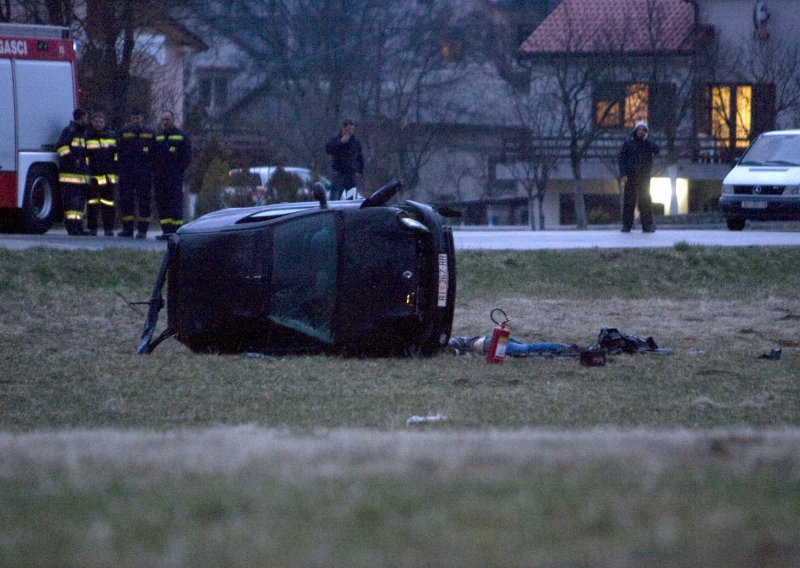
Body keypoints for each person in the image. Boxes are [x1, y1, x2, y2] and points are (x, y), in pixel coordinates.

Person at [153, 110, 192, 240]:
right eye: (163, 120)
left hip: (174, 177)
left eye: (167, 119)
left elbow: (186, 157)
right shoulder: (158, 136)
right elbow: (153, 156)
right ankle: (166, 232)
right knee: (162, 204)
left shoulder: (182, 136)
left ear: (174, 120)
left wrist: (177, 171)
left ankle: (175, 232)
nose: (165, 122)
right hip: (160, 177)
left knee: (175, 204)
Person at [116, 110, 154, 238]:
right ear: (130, 119)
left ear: (141, 118)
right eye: (133, 118)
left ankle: (142, 230)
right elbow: (118, 151)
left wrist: (151, 169)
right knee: (126, 200)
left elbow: (154, 152)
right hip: (127, 172)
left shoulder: (149, 133)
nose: (135, 120)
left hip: (144, 173)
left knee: (144, 201)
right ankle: (127, 229)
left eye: (137, 118)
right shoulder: (124, 132)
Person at [618, 121, 660, 233]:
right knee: (629, 202)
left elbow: (657, 150)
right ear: (635, 131)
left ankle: (647, 226)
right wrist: (623, 174)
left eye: (643, 130)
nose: (641, 131)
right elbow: (621, 159)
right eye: (639, 129)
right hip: (630, 177)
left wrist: (648, 140)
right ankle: (626, 226)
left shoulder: (648, 143)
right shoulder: (628, 143)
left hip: (644, 177)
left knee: (645, 201)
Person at [56, 108, 92, 236]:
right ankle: (71, 228)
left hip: (81, 175)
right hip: (70, 175)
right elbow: (61, 148)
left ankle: (78, 227)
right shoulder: (70, 131)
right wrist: (73, 160)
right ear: (81, 117)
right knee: (71, 203)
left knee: (80, 203)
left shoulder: (83, 132)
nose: (87, 119)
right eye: (86, 117)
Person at [85, 111, 118, 236]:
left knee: (108, 204)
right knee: (92, 203)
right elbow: (85, 156)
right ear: (92, 122)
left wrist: (115, 170)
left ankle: (108, 229)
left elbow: (117, 154)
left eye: (101, 122)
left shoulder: (112, 136)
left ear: (105, 123)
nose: (98, 124)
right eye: (96, 121)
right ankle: (92, 228)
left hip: (108, 177)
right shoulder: (87, 136)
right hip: (93, 176)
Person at [325, 119, 363, 200]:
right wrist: (341, 142)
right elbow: (328, 149)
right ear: (343, 128)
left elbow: (359, 157)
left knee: (352, 199)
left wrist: (359, 170)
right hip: (339, 175)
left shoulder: (355, 143)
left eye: (352, 129)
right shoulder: (336, 140)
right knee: (335, 199)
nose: (350, 131)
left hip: (351, 176)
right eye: (349, 129)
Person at [448, 334, 575, 357]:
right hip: (492, 340)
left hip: (492, 344)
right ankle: (565, 347)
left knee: (528, 349)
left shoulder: (452, 342)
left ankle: (566, 348)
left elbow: (455, 349)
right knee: (528, 348)